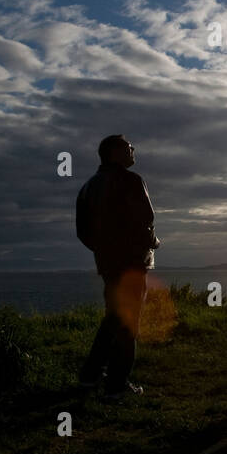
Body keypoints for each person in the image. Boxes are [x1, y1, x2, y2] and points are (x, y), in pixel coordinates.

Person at [76, 134, 160, 399]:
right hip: (132, 263)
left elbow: (83, 231)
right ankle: (117, 384)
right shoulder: (131, 181)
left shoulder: (89, 186)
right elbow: (145, 220)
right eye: (128, 146)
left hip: (108, 263)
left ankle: (90, 376)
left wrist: (104, 250)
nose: (133, 149)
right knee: (127, 323)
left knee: (113, 317)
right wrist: (153, 243)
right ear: (114, 153)